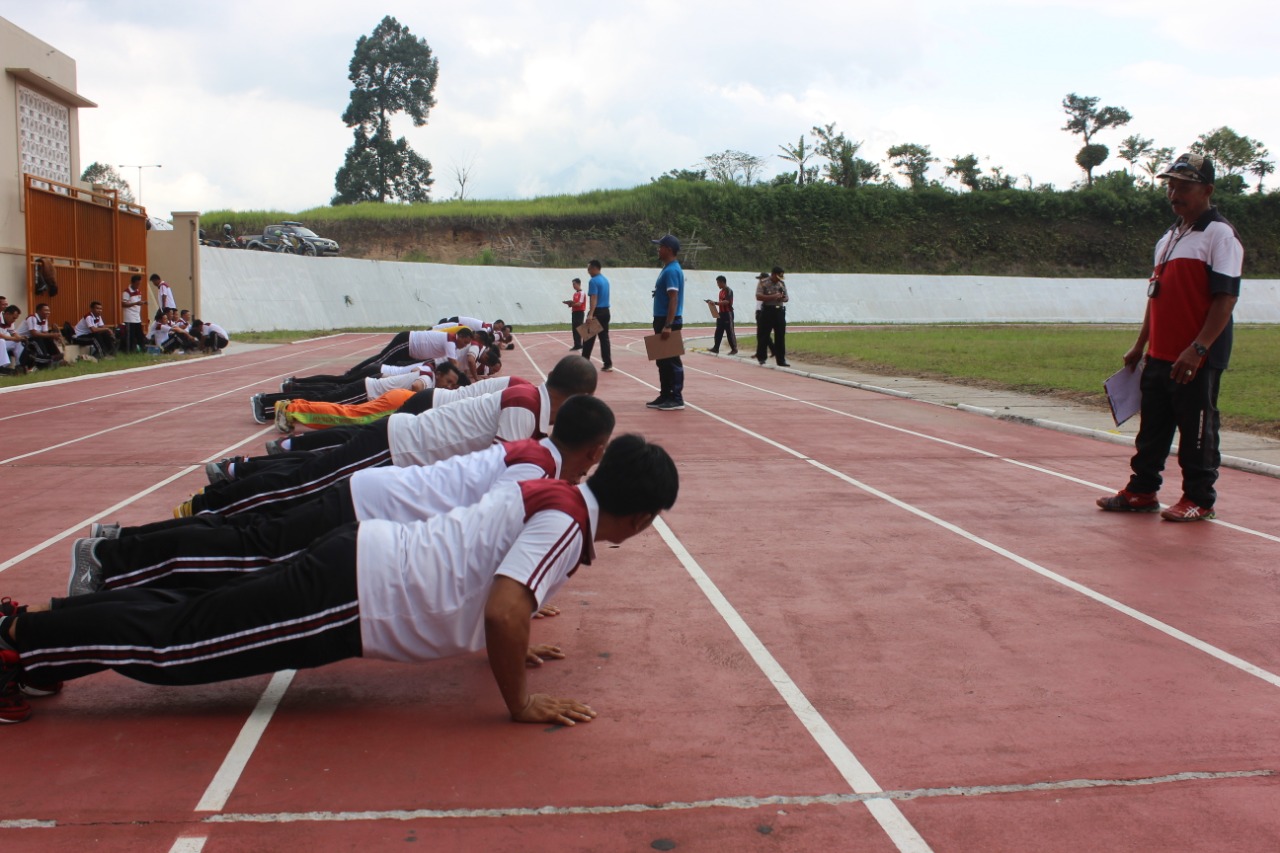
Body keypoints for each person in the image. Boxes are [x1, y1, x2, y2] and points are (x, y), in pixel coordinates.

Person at [0, 434, 679, 726]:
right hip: (357, 590)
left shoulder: (557, 496)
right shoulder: (563, 523)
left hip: (360, 565)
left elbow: (489, 579)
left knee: (196, 617)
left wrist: (510, 629)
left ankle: (35, 633)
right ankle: (20, 642)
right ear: (643, 518)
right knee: (183, 644)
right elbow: (504, 607)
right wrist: (520, 701)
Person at [70, 395, 617, 595]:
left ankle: (118, 546)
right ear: (592, 450)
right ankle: (112, 556)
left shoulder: (536, 454)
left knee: (251, 536)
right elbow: (484, 527)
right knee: (250, 540)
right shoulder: (534, 460)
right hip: (376, 491)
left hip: (379, 492)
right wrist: (517, 589)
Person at [181, 355, 597, 517]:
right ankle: (213, 500)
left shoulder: (532, 405)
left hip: (404, 449)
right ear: (576, 397)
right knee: (309, 482)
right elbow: (497, 476)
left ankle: (236, 478)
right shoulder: (524, 406)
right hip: (398, 447)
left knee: (316, 475)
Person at [1096, 153, 1243, 522]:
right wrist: (1140, 344)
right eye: (1171, 185)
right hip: (1160, 353)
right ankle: (1142, 491)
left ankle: (1199, 498)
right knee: (1153, 429)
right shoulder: (1170, 237)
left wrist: (1198, 349)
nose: (1174, 192)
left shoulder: (1219, 235)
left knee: (1196, 430)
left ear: (1207, 190)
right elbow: (1155, 295)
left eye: (1184, 186)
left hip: (1197, 356)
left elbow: (1226, 298)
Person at [648, 235, 686, 411]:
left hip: (668, 320)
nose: (658, 249)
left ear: (669, 250)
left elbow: (674, 299)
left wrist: (668, 325)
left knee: (671, 360)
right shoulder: (668, 268)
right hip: (661, 318)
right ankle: (665, 394)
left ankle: (676, 398)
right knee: (662, 360)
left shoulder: (672, 271)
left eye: (660, 246)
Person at [580, 260, 612, 372]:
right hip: (606, 312)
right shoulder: (605, 280)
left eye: (589, 269)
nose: (588, 271)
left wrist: (590, 314)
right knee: (604, 339)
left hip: (597, 312)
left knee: (587, 338)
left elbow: (594, 298)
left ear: (594, 268)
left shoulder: (593, 281)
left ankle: (583, 364)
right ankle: (608, 364)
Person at [756, 267, 790, 367]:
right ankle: (761, 357)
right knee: (764, 335)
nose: (779, 279)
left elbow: (786, 297)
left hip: (779, 311)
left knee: (780, 336)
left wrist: (782, 298)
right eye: (778, 276)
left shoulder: (782, 283)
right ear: (773, 274)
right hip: (767, 310)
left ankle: (781, 360)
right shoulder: (763, 282)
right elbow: (758, 296)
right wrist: (774, 296)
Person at [22, 303, 67, 368]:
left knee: (47, 339)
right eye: (45, 310)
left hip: (36, 338)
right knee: (38, 339)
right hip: (25, 339)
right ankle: (46, 360)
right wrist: (52, 335)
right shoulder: (32, 318)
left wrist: (54, 336)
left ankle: (58, 357)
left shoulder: (44, 320)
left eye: (48, 310)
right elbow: (34, 333)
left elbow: (45, 334)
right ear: (38, 311)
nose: (48, 312)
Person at [708, 275, 738, 355]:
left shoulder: (729, 290)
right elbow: (721, 303)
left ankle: (734, 349)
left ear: (722, 282)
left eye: (718, 283)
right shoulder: (721, 292)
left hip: (728, 314)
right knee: (718, 331)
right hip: (721, 313)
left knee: (730, 332)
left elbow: (727, 302)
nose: (717, 285)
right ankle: (716, 348)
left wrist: (715, 303)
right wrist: (712, 303)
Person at [121, 275, 147, 353]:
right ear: (133, 283)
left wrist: (143, 303)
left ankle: (143, 350)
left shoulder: (138, 291)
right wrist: (136, 303)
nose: (138, 285)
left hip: (137, 318)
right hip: (129, 318)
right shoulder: (126, 292)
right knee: (130, 336)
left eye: (139, 284)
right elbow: (123, 304)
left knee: (140, 335)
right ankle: (129, 351)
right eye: (137, 284)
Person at [0, 305, 26, 375]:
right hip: (1, 342)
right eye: (13, 318)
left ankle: (20, 365)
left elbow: (13, 333)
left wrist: (20, 338)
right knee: (1, 341)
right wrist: (13, 338)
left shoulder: (10, 322)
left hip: (2, 344)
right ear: (7, 314)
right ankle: (2, 367)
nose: (14, 320)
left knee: (18, 342)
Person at [565, 278, 587, 350]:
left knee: (579, 328)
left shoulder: (582, 293)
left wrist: (571, 304)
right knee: (574, 329)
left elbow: (579, 304)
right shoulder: (575, 294)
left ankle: (580, 344)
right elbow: (575, 303)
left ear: (578, 284)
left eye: (574, 284)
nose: (573, 286)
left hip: (579, 312)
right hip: (574, 312)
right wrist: (570, 304)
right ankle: (577, 344)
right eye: (573, 284)